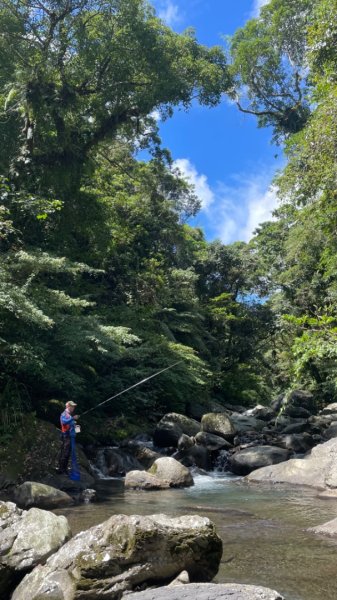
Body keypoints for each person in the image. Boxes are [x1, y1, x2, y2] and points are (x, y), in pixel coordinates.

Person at [58, 401, 79, 474]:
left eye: (74, 406)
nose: (73, 407)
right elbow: (64, 422)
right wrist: (73, 418)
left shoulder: (70, 415)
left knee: (68, 452)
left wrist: (75, 426)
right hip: (66, 435)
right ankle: (61, 470)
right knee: (65, 452)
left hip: (70, 436)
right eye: (72, 406)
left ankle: (64, 469)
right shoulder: (64, 414)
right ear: (68, 406)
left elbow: (71, 424)